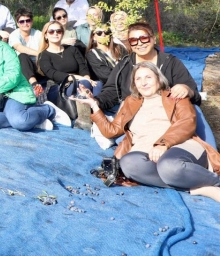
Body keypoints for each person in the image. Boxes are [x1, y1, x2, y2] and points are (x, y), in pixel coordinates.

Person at [75, 63, 220, 202]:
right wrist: (94, 105)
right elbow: (111, 131)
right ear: (134, 84)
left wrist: (163, 144)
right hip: (145, 152)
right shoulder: (130, 102)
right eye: (138, 79)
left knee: (168, 166)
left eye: (148, 77)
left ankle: (215, 182)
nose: (143, 82)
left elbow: (187, 123)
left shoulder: (175, 96)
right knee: (128, 163)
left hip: (179, 146)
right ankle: (197, 188)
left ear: (159, 79)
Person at [93, 21, 215, 149]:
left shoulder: (170, 63)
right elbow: (111, 91)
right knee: (122, 140)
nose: (140, 43)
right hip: (137, 115)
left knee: (195, 111)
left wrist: (186, 89)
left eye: (144, 38)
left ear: (153, 39)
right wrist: (95, 101)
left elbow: (194, 93)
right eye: (134, 40)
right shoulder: (124, 66)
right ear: (129, 44)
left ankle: (212, 155)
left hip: (169, 114)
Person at [0, 18, 70, 131]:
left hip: (12, 93)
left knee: (19, 121)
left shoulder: (4, 48)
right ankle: (31, 120)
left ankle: (48, 110)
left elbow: (13, 75)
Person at [37, 20, 100, 126]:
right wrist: (80, 78)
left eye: (58, 31)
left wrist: (87, 78)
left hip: (79, 82)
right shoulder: (43, 55)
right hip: (58, 87)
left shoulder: (72, 50)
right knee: (84, 84)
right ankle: (84, 119)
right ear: (46, 35)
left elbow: (83, 67)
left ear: (62, 33)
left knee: (98, 85)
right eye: (51, 31)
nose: (55, 33)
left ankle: (97, 116)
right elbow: (54, 74)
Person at [7, 7, 45, 98]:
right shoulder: (14, 35)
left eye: (28, 20)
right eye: (22, 21)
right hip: (22, 67)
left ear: (32, 21)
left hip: (37, 65)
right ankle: (35, 85)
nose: (25, 23)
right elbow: (19, 48)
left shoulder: (38, 34)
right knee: (23, 56)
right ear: (17, 23)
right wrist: (38, 53)